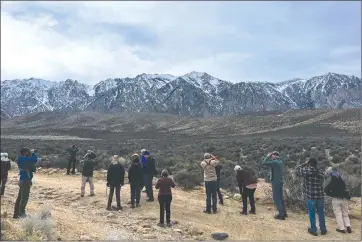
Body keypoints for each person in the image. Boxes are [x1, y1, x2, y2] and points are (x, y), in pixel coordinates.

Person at [296, 158, 327, 236]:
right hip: (320, 196)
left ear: (309, 164)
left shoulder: (307, 171)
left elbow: (297, 169)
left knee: (312, 213)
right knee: (321, 213)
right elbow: (324, 177)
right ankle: (323, 229)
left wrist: (304, 164)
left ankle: (313, 230)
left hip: (311, 196)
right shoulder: (321, 171)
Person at [324, 167, 352, 234]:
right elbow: (345, 189)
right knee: (345, 213)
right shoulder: (342, 182)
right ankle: (348, 226)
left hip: (336, 199)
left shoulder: (332, 182)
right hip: (344, 198)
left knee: (338, 214)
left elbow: (326, 190)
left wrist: (332, 194)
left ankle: (341, 228)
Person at [13, 148, 38, 219]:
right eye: (28, 152)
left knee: (19, 198)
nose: (29, 153)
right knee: (24, 198)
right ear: (25, 152)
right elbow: (34, 160)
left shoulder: (21, 159)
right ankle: (21, 214)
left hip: (22, 180)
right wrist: (33, 153)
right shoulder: (23, 159)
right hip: (26, 180)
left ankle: (16, 214)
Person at [262, 151, 287, 220]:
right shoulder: (280, 162)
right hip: (280, 181)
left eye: (272, 155)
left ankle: (281, 215)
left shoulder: (275, 162)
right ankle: (284, 212)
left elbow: (264, 163)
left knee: (276, 198)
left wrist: (267, 156)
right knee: (281, 198)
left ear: (275, 156)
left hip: (276, 182)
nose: (271, 157)